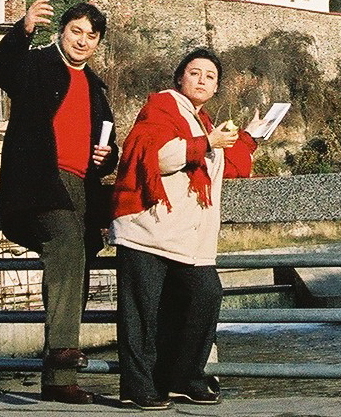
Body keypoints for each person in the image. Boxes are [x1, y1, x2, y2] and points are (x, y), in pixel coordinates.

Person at [110, 47, 258, 411]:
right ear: (180, 78)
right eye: (195, 73)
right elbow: (156, 157)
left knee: (205, 295)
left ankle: (183, 379)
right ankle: (137, 388)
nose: (202, 80)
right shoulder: (162, 106)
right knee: (141, 313)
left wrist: (251, 137)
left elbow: (229, 167)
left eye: (210, 76)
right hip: (147, 228)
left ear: (216, 87)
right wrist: (207, 143)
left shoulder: (203, 121)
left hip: (186, 236)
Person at [0, 0, 118, 405]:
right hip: (40, 180)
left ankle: (58, 381)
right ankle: (63, 351)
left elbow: (110, 145)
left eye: (91, 36)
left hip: (81, 186)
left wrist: (108, 155)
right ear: (61, 32)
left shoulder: (96, 87)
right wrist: (23, 27)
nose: (82, 40)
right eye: (76, 31)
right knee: (65, 243)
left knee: (74, 265)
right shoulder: (37, 65)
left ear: (97, 43)